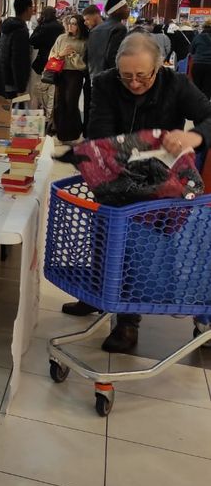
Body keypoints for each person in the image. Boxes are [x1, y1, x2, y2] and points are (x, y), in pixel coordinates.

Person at [64, 33, 211, 351]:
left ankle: (128, 324)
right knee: (103, 236)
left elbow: (208, 116)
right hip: (115, 175)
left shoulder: (176, 85)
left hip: (159, 184)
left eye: (142, 76)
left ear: (158, 68)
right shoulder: (104, 83)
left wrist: (194, 137)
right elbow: (99, 132)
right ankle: (96, 293)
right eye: (127, 76)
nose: (134, 83)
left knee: (137, 250)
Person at [49, 14, 87, 143]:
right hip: (60, 73)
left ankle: (73, 134)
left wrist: (73, 55)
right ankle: (60, 133)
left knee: (71, 103)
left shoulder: (84, 41)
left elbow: (83, 65)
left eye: (74, 23)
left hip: (75, 75)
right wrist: (61, 54)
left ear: (80, 26)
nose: (71, 25)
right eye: (70, 23)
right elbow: (52, 55)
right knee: (59, 103)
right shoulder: (62, 38)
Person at [29, 6, 64, 123]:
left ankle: (38, 117)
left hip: (42, 62)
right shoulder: (60, 27)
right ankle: (50, 120)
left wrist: (39, 25)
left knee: (39, 91)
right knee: (52, 94)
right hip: (56, 63)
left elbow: (32, 41)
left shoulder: (44, 27)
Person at [86, 0, 129, 80]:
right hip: (110, 78)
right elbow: (112, 55)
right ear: (117, 10)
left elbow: (87, 54)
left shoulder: (95, 29)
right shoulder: (119, 28)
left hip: (94, 76)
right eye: (125, 7)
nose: (128, 10)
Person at [0, 0, 34, 97]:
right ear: (28, 8)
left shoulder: (8, 27)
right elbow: (18, 60)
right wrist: (21, 87)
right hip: (13, 83)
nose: (33, 11)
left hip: (5, 77)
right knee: (15, 112)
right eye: (32, 8)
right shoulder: (20, 30)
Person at [81, 5, 103, 134]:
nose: (85, 22)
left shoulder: (99, 32)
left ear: (96, 15)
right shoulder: (94, 31)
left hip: (95, 76)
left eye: (87, 19)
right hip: (91, 75)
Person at [190, 19, 211, 98]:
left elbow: (191, 50)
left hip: (198, 64)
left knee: (196, 88)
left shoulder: (198, 37)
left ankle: (195, 106)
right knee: (208, 89)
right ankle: (205, 107)